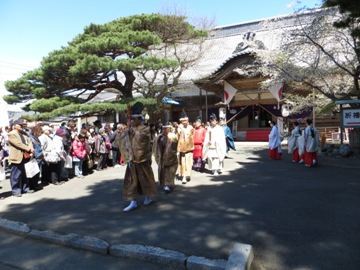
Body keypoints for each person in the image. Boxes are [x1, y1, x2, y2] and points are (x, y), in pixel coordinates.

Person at [122, 102, 157, 212]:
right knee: (132, 181)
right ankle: (133, 202)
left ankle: (148, 197)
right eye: (131, 119)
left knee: (145, 179)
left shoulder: (145, 129)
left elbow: (143, 141)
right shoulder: (131, 129)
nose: (132, 121)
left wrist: (132, 131)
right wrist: (126, 132)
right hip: (132, 159)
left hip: (143, 159)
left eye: (133, 119)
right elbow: (122, 139)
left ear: (139, 119)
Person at [8, 119, 35, 196]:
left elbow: (29, 142)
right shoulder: (12, 134)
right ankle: (16, 191)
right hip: (17, 157)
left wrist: (31, 148)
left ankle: (25, 188)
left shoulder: (24, 133)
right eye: (19, 125)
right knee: (16, 175)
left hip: (25, 156)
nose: (21, 126)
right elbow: (18, 144)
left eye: (22, 125)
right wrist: (29, 148)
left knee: (25, 174)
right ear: (15, 126)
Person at [153, 114, 178, 193]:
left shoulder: (173, 136)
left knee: (169, 171)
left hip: (170, 157)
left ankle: (168, 185)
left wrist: (171, 155)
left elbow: (175, 147)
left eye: (166, 129)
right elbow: (155, 147)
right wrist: (157, 156)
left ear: (169, 129)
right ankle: (164, 184)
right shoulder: (159, 137)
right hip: (161, 156)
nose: (164, 130)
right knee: (162, 171)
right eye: (163, 129)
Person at [177, 110, 194, 184]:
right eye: (183, 121)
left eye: (186, 120)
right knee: (183, 163)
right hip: (181, 149)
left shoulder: (191, 128)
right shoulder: (179, 128)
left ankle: (188, 174)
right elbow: (177, 138)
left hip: (189, 148)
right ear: (181, 121)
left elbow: (192, 137)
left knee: (189, 162)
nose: (185, 122)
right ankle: (183, 176)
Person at [28, 124, 44, 191]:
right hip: (35, 157)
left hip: (39, 156)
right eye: (40, 132)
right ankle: (33, 185)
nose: (40, 134)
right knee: (33, 172)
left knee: (37, 172)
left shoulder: (35, 137)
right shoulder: (31, 138)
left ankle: (35, 184)